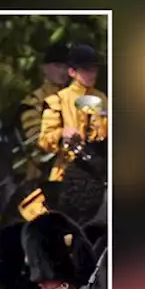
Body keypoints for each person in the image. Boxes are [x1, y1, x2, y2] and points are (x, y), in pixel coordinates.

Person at [38, 44, 108, 184]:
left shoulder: (103, 99)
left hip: (101, 170)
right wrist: (62, 134)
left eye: (94, 70)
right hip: (68, 171)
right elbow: (44, 140)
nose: (92, 74)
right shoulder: (58, 100)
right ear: (72, 72)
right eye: (86, 70)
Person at [17, 44, 70, 181]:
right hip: (44, 174)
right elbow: (36, 139)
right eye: (58, 66)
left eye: (66, 67)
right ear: (44, 68)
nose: (63, 71)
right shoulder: (33, 102)